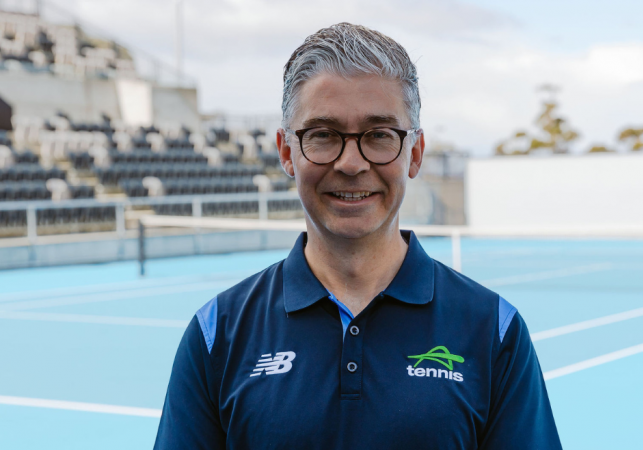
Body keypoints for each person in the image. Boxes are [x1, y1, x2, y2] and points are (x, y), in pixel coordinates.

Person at [154, 23, 562, 450]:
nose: (351, 163)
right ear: (287, 152)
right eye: (323, 135)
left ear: (415, 153)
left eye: (379, 135)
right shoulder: (216, 333)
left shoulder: (494, 330)